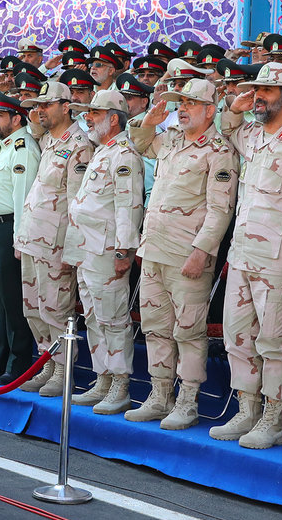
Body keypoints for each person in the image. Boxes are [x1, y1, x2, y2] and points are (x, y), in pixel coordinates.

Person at [211, 63, 282, 448]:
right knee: (237, 337)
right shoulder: (254, 136)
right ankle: (247, 410)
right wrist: (236, 105)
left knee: (275, 343)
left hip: (278, 259)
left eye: (268, 91)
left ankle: (274, 418)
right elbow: (226, 128)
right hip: (242, 254)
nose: (259, 96)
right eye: (257, 90)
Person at [127, 76, 237, 430]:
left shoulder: (219, 151)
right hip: (155, 250)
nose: (182, 109)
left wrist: (201, 252)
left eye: (190, 104)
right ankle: (160, 396)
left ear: (210, 110)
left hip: (187, 255)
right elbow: (141, 142)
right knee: (156, 329)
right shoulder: (173, 141)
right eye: (180, 104)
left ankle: (188, 401)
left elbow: (220, 210)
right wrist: (151, 118)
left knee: (188, 331)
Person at [65, 89, 143, 415]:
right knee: (94, 317)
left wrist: (124, 251)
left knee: (113, 318)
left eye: (95, 113)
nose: (88, 117)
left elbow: (129, 207)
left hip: (107, 250)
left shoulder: (123, 154)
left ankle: (120, 385)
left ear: (113, 119)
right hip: (87, 249)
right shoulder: (102, 151)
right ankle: (103, 378)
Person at [15, 80, 93, 396]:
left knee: (56, 309)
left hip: (56, 244)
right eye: (37, 105)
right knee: (32, 309)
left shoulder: (79, 145)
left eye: (46, 105)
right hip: (34, 239)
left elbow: (78, 204)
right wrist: (22, 238)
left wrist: (71, 250)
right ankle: (46, 364)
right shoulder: (49, 140)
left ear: (66, 107)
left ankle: (63, 371)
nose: (39, 110)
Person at [0, 91, 39, 383]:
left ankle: (19, 363)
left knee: (12, 300)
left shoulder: (23, 147)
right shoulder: (7, 145)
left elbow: (21, 198)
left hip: (7, 229)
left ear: (17, 118)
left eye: (0, 115)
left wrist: (18, 240)